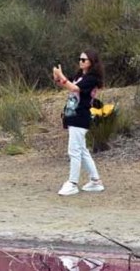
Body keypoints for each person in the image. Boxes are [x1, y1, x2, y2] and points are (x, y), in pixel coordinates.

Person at [53, 50, 105, 196]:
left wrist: (62, 77)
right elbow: (66, 84)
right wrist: (57, 77)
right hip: (72, 115)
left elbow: (75, 88)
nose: (81, 62)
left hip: (80, 116)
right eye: (80, 59)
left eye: (84, 59)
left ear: (91, 62)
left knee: (74, 151)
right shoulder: (80, 76)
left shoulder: (92, 78)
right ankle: (95, 181)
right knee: (82, 150)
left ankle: (73, 183)